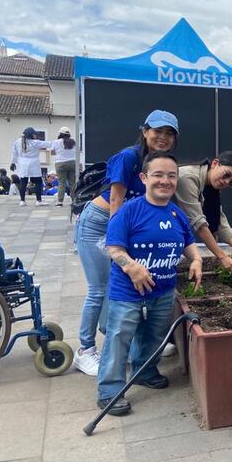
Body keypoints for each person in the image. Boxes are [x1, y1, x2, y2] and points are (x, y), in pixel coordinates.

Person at [74, 109, 179, 377]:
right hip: (100, 223)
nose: (163, 137)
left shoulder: (157, 162)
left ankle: (130, 344)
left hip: (122, 225)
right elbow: (116, 202)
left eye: (169, 133)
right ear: (144, 131)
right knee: (100, 288)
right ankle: (85, 351)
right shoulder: (129, 157)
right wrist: (118, 244)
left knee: (118, 286)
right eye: (158, 131)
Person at [97, 151, 202, 416]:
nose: (164, 181)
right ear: (144, 178)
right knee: (119, 338)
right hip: (128, 293)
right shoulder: (129, 211)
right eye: (158, 175)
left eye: (171, 176)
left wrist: (197, 260)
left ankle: (145, 370)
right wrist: (131, 267)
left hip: (163, 291)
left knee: (155, 336)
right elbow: (113, 247)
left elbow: (189, 242)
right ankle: (110, 390)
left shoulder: (177, 214)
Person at [175, 151, 232, 270]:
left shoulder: (211, 186)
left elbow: (218, 218)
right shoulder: (188, 177)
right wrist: (222, 257)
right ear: (215, 163)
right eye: (226, 175)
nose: (226, 182)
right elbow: (198, 222)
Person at [10, 127, 51, 206]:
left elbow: (14, 153)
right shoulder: (35, 142)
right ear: (31, 135)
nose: (35, 135)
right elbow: (48, 143)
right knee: (38, 181)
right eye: (34, 134)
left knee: (23, 181)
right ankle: (39, 200)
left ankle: (22, 201)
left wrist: (13, 162)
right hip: (33, 163)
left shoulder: (17, 142)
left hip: (22, 163)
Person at [52, 126, 77, 207]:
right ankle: (74, 200)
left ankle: (60, 201)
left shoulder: (56, 142)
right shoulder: (73, 142)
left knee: (61, 183)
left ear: (60, 134)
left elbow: (52, 152)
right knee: (72, 183)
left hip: (60, 163)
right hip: (72, 163)